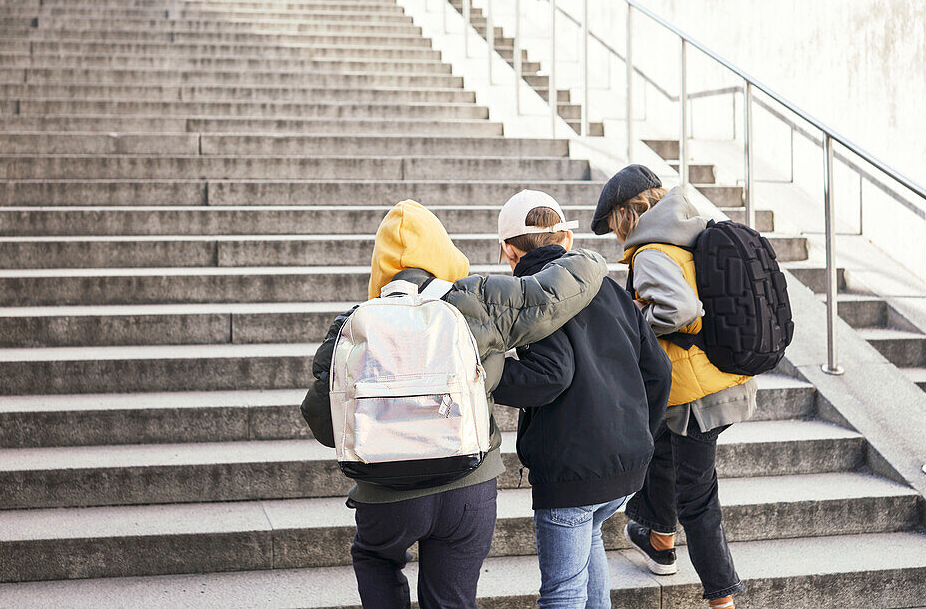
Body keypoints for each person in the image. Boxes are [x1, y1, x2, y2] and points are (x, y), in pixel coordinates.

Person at [301, 199, 608, 609]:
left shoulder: (353, 324)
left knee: (374, 558)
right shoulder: (475, 300)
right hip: (468, 486)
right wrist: (587, 256)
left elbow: (323, 423)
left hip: (387, 495)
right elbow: (550, 295)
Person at [491, 190, 671, 609]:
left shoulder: (533, 294)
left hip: (572, 471)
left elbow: (549, 376)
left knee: (563, 593)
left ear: (508, 251)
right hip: (626, 463)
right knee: (589, 546)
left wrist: (485, 371)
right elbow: (660, 372)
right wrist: (640, 434)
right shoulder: (607, 287)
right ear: (565, 240)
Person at [591, 166, 757, 609]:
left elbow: (683, 310)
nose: (616, 236)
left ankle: (722, 598)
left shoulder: (650, 252)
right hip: (719, 379)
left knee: (698, 500)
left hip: (696, 396)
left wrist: (635, 324)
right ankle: (659, 538)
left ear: (627, 215)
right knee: (657, 447)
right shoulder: (691, 232)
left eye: (613, 226)